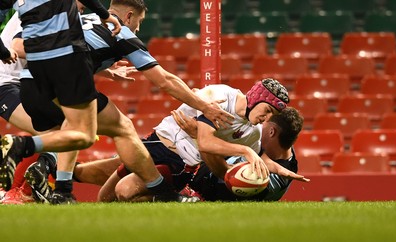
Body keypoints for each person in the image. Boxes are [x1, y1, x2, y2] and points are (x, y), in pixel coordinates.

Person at [1, 0, 233, 204]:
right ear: (129, 16)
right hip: (57, 82)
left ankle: (59, 188)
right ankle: (163, 191)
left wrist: (103, 69)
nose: (138, 28)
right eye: (139, 22)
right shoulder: (121, 33)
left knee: (70, 131)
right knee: (122, 128)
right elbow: (165, 80)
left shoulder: (74, 17)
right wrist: (204, 107)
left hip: (30, 83)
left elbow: (25, 45)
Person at [96, 79, 310, 202]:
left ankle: (169, 201)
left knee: (124, 191)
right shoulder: (221, 95)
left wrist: (276, 168)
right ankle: (172, 201)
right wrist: (247, 152)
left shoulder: (253, 133)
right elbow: (208, 142)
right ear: (256, 97)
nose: (267, 118)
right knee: (103, 198)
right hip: (155, 142)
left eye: (272, 116)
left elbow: (215, 148)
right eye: (268, 110)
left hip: (180, 162)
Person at [0, 0, 122, 203]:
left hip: (26, 79)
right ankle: (13, 191)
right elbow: (19, 47)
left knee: (65, 131)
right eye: (80, 8)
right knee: (60, 135)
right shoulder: (43, 13)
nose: (80, 12)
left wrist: (106, 71)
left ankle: (30, 190)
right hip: (5, 84)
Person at [188, 107, 305, 201]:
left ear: (271, 131)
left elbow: (223, 174)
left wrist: (200, 136)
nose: (257, 125)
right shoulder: (280, 144)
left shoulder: (274, 179)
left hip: (205, 198)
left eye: (263, 122)